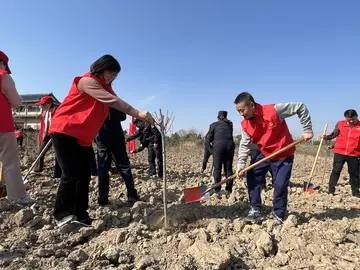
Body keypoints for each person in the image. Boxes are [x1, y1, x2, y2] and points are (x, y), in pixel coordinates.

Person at [48, 54, 154, 227]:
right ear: (101, 68)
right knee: (70, 173)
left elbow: (115, 101)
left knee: (84, 175)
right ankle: (62, 214)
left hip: (82, 137)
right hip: (65, 130)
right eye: (111, 73)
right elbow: (113, 102)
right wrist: (138, 113)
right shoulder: (87, 81)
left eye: (115, 75)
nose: (113, 77)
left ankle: (80, 214)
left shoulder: (106, 87)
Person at [235, 92, 313, 223]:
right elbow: (244, 145)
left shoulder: (274, 110)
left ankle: (278, 214)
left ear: (252, 105)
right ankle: (255, 210)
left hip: (283, 154)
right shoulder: (245, 124)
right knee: (252, 176)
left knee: (280, 185)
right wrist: (241, 165)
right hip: (264, 153)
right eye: (238, 112)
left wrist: (307, 128)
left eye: (242, 110)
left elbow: (300, 107)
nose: (241, 114)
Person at [0, 51, 35, 204]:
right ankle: (17, 196)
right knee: (10, 162)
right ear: (3, 64)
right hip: (2, 125)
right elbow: (16, 102)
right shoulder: (3, 76)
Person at [95, 108, 140, 206]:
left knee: (102, 169)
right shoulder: (113, 100)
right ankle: (132, 196)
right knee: (124, 167)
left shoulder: (93, 101)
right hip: (115, 135)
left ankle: (103, 199)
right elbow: (123, 116)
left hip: (100, 135)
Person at [322, 109, 360, 197]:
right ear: (345, 118)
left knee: (354, 173)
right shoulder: (340, 124)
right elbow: (334, 134)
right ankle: (331, 191)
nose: (351, 121)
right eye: (348, 119)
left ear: (357, 116)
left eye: (353, 119)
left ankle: (356, 192)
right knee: (336, 170)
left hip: (354, 154)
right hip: (340, 152)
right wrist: (326, 137)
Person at [205, 111, 235, 198]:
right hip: (230, 145)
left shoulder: (214, 125)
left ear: (218, 117)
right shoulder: (230, 124)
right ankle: (228, 190)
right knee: (228, 168)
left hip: (218, 146)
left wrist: (211, 150)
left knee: (217, 167)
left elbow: (207, 139)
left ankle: (217, 189)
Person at [33, 96, 61, 178]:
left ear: (49, 103)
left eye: (43, 104)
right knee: (40, 152)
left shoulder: (58, 110)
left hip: (57, 135)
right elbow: (43, 127)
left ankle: (58, 174)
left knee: (58, 154)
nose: (42, 106)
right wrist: (41, 137)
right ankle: (38, 170)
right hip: (47, 135)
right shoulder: (45, 113)